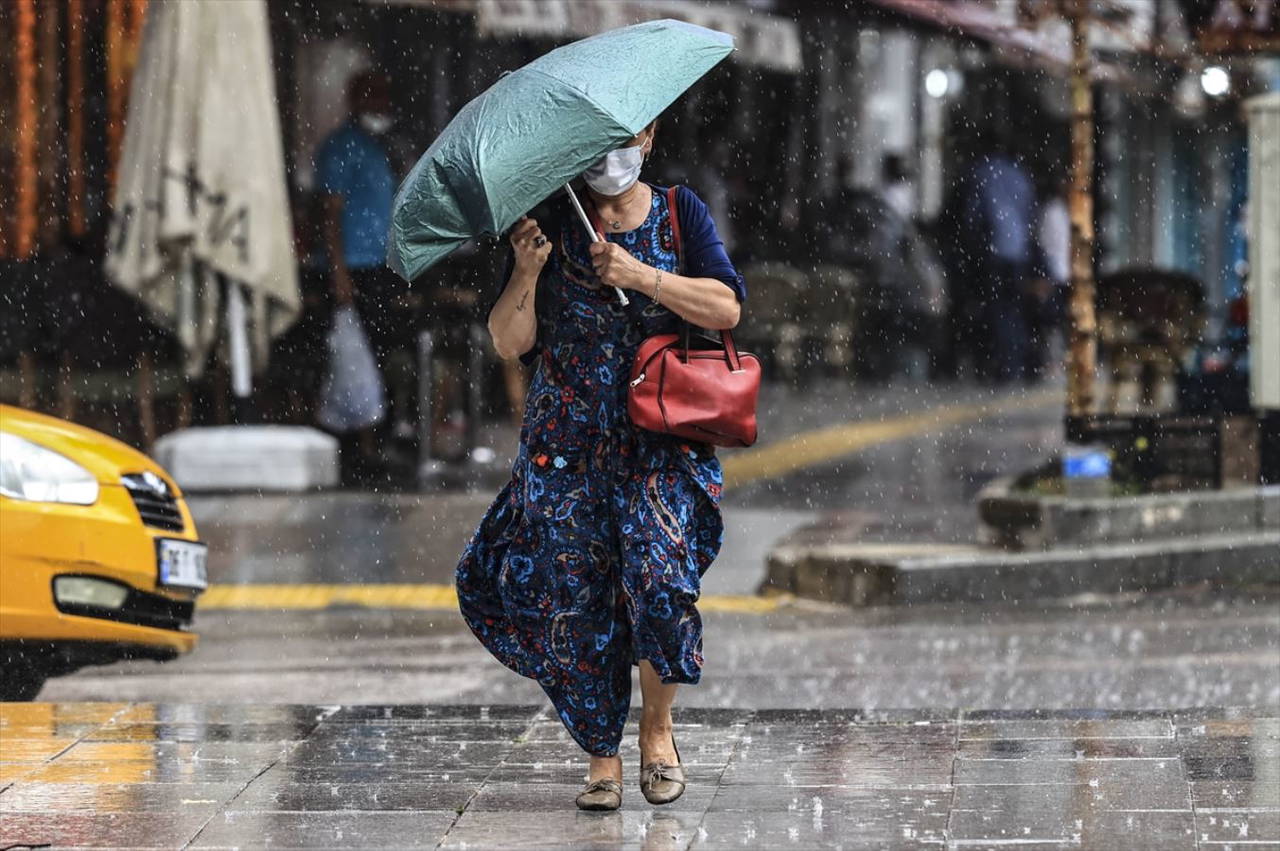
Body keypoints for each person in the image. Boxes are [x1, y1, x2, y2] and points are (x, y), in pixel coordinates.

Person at [456, 120, 745, 811]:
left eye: (627, 139)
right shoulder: (553, 220)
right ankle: (600, 756)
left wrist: (641, 275)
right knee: (578, 599)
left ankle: (657, 729)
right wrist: (526, 270)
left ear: (648, 140)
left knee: (661, 579)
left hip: (659, 436)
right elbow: (507, 340)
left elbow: (727, 305)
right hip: (568, 442)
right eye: (595, 143)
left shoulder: (681, 212)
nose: (610, 157)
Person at [315, 70, 409, 482]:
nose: (382, 108)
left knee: (380, 354)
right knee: (356, 358)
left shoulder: (380, 147)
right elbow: (329, 215)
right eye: (375, 99)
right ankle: (359, 447)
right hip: (352, 267)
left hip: (379, 264)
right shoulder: (340, 148)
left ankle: (377, 440)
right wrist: (338, 275)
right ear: (356, 101)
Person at [963, 140, 1039, 383]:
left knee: (995, 308)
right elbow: (1030, 214)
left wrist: (973, 243)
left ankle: (1002, 363)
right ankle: (1017, 361)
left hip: (994, 250)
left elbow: (973, 215)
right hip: (1018, 252)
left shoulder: (982, 173)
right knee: (1015, 307)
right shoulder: (1020, 176)